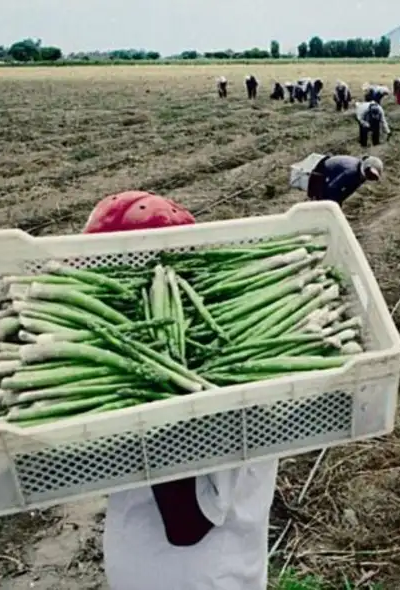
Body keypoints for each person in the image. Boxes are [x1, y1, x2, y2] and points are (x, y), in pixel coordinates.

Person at [90, 191, 279, 590]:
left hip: (201, 577)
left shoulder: (222, 388)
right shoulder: (146, 358)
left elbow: (188, 525)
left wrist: (155, 396)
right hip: (141, 563)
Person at [305, 155, 384, 204]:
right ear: (366, 168)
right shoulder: (351, 172)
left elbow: (347, 192)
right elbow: (332, 188)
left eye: (373, 176)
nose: (371, 177)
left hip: (331, 177)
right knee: (319, 201)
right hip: (320, 173)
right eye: (371, 174)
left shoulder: (360, 176)